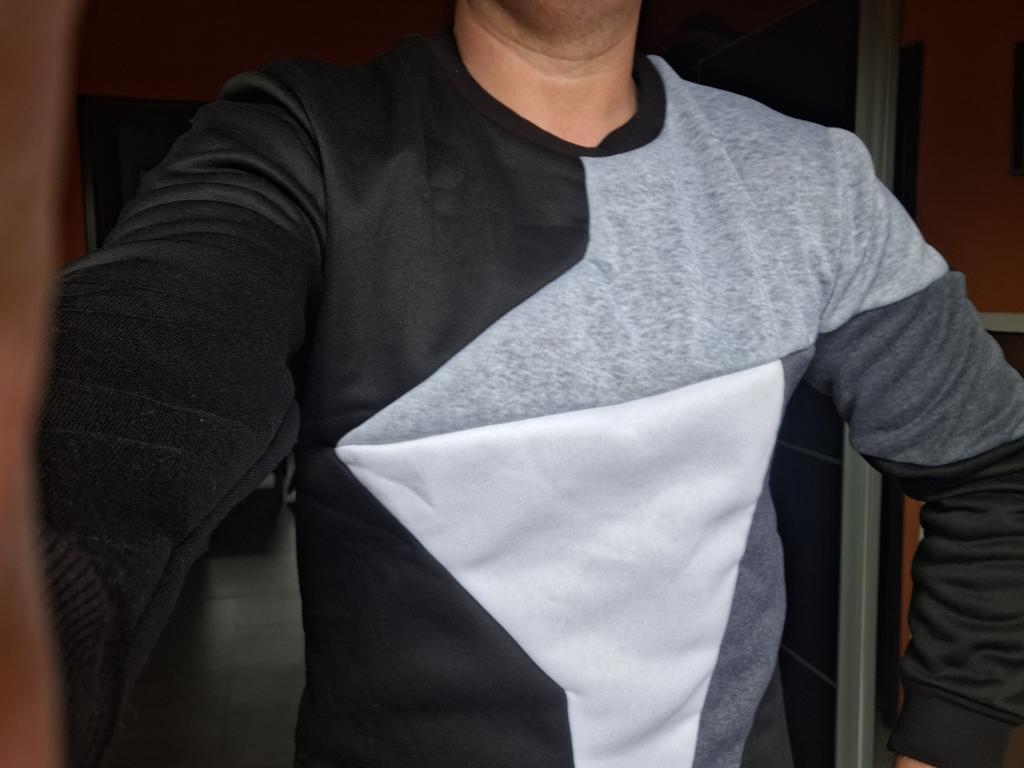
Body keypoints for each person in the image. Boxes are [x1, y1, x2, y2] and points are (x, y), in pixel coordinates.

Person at [22, 0, 1024, 766]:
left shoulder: (814, 185)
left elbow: (997, 469)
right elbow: (111, 421)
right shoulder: (301, 149)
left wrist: (952, 740)